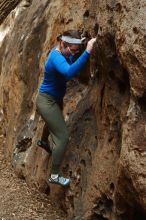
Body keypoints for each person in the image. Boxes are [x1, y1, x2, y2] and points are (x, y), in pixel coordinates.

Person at [36, 30, 96, 186]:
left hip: (54, 99)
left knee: (52, 122)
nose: (73, 54)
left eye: (77, 51)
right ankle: (54, 175)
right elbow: (69, 73)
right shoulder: (56, 58)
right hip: (46, 101)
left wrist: (80, 43)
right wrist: (87, 51)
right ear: (62, 44)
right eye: (72, 50)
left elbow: (70, 58)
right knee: (62, 136)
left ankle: (43, 142)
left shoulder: (63, 52)